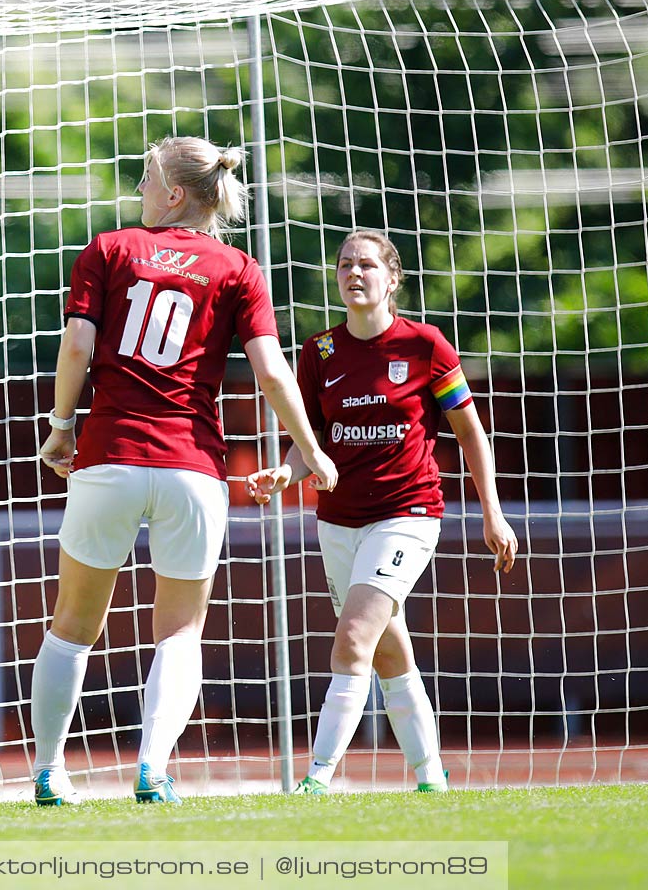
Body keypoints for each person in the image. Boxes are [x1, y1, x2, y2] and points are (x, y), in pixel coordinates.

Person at [29, 138, 339, 806]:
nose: (140, 189)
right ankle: (154, 770)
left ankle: (51, 773)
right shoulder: (238, 267)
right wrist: (308, 449)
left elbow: (77, 345)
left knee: (72, 629)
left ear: (174, 193)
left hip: (108, 456)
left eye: (146, 178)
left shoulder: (108, 249)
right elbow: (271, 372)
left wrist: (60, 427)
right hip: (193, 468)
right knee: (179, 632)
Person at [248, 230, 517, 795]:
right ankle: (430, 775)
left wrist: (492, 514)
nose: (354, 273)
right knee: (388, 649)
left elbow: (470, 434)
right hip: (337, 519)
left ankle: (316, 778)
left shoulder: (426, 346)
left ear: (392, 278)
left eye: (367, 265)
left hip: (408, 513)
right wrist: (286, 471)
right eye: (345, 264)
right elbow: (311, 442)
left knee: (352, 639)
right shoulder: (319, 352)